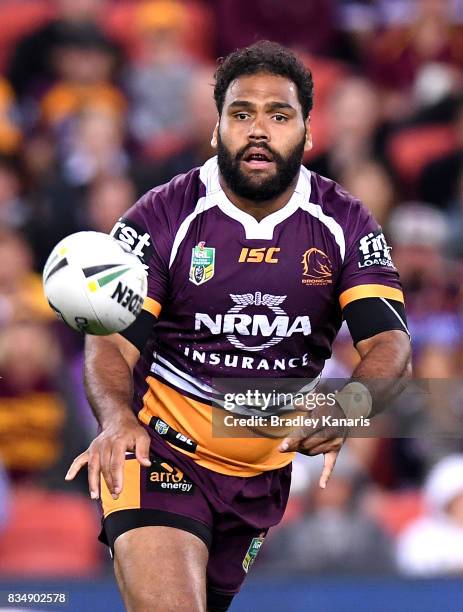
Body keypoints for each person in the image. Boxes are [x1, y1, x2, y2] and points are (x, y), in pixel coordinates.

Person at [66, 41, 412, 612]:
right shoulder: (162, 216)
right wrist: (117, 418)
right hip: (159, 455)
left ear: (306, 131)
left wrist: (349, 403)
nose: (259, 130)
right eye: (241, 113)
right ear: (216, 128)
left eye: (279, 116)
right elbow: (110, 341)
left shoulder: (344, 222)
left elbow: (390, 344)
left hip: (259, 475)